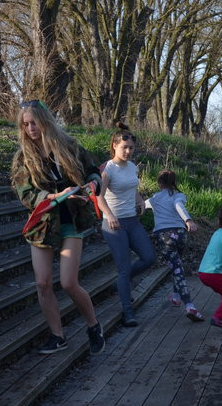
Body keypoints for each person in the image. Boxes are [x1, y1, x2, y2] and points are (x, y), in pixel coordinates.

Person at [10, 100, 105, 355]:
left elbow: (93, 172)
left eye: (34, 123)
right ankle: (57, 335)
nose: (30, 128)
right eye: (25, 124)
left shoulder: (70, 147)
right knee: (42, 283)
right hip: (41, 226)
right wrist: (54, 197)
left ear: (45, 121)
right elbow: (25, 194)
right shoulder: (23, 158)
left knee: (69, 283)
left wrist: (93, 186)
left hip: (70, 222)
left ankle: (94, 325)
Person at [96, 122, 156, 327]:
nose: (128, 151)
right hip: (114, 225)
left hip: (132, 221)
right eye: (125, 147)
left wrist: (139, 200)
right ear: (114, 145)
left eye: (131, 148)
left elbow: (132, 188)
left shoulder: (131, 167)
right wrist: (110, 215)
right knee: (123, 269)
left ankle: (120, 284)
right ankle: (128, 312)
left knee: (149, 257)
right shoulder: (108, 169)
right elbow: (99, 197)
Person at [144, 169, 202, 322]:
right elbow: (178, 205)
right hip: (180, 234)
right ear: (174, 182)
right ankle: (176, 296)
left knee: (177, 269)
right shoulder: (179, 195)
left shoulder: (155, 198)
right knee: (177, 265)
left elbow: (141, 206)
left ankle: (189, 305)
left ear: (159, 183)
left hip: (165, 236)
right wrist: (186, 222)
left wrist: (188, 220)